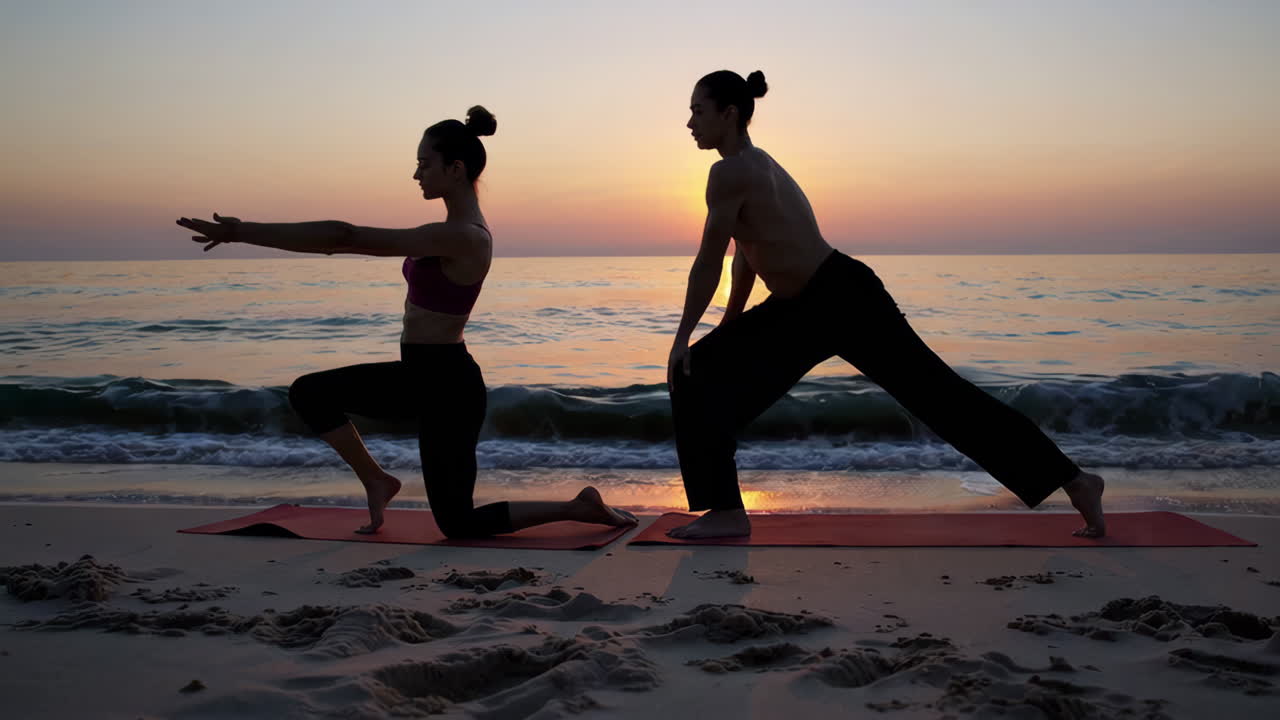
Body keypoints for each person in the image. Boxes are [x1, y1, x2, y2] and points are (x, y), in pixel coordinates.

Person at [666, 71, 1106, 540]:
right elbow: (745, 255)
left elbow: (707, 263)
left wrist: (680, 339)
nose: (689, 122)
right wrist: (731, 325)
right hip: (802, 306)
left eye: (697, 111)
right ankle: (727, 509)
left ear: (728, 114)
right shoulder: (756, 165)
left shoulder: (729, 172)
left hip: (843, 299)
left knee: (941, 397)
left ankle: (1076, 482)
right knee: (700, 373)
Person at [178, 106, 636, 538]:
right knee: (312, 395)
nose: (416, 173)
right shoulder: (447, 231)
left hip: (446, 385)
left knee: (457, 522)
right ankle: (378, 481)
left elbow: (344, 237)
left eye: (424, 163)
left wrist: (241, 232)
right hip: (426, 376)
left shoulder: (462, 237)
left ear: (455, 169)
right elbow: (346, 239)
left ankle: (579, 507)